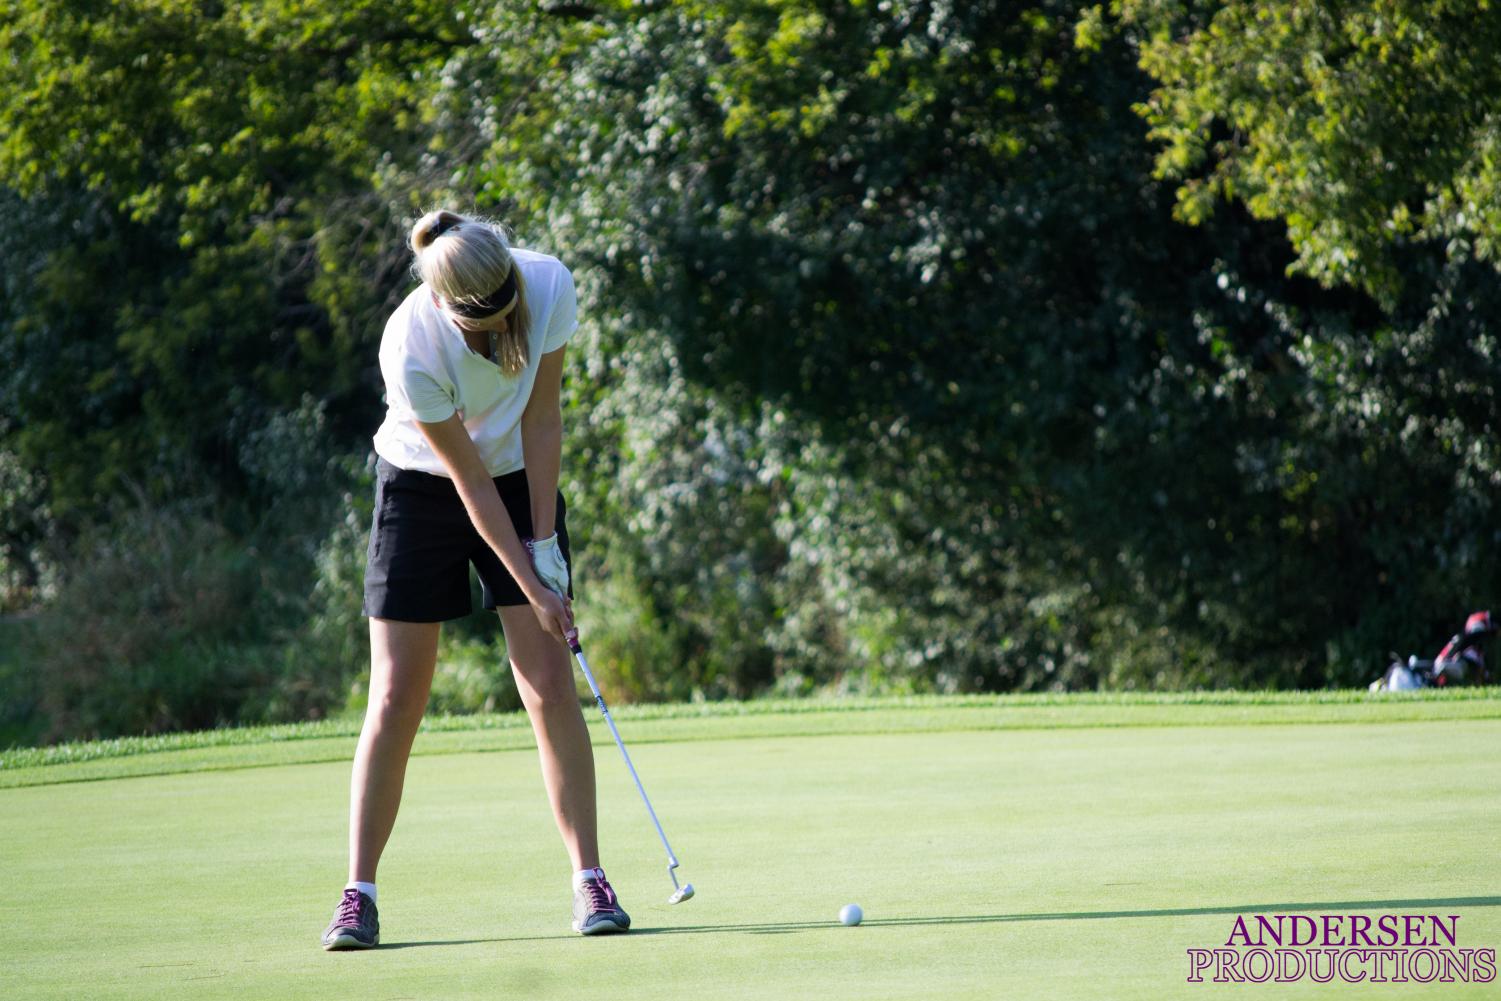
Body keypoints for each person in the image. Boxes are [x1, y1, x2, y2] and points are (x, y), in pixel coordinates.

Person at [320, 210, 629, 949]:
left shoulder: (549, 282)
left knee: (548, 681)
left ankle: (589, 876)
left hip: (523, 480)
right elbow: (467, 481)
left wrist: (546, 547)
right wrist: (530, 578)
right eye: (478, 329)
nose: (495, 340)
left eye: (503, 320)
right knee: (396, 693)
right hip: (424, 484)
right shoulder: (411, 342)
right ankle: (357, 892)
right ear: (442, 304)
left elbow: (543, 418)